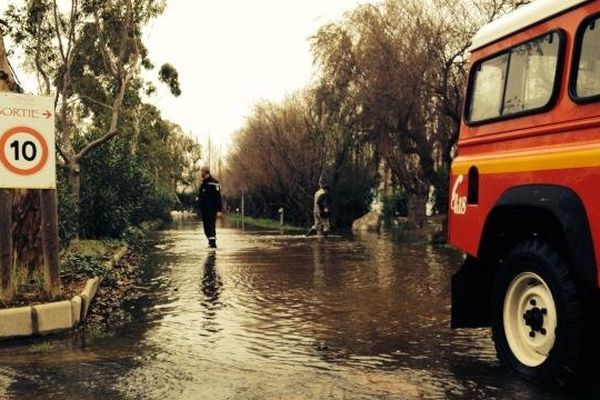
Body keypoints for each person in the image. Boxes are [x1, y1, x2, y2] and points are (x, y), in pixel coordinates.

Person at [198, 166, 223, 248]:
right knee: (206, 226)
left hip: (212, 208)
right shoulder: (203, 183)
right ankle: (210, 240)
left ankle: (212, 242)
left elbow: (218, 197)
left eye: (202, 172)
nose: (200, 173)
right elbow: (201, 196)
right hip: (204, 209)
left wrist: (219, 210)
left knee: (211, 224)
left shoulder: (214, 183)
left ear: (206, 172)